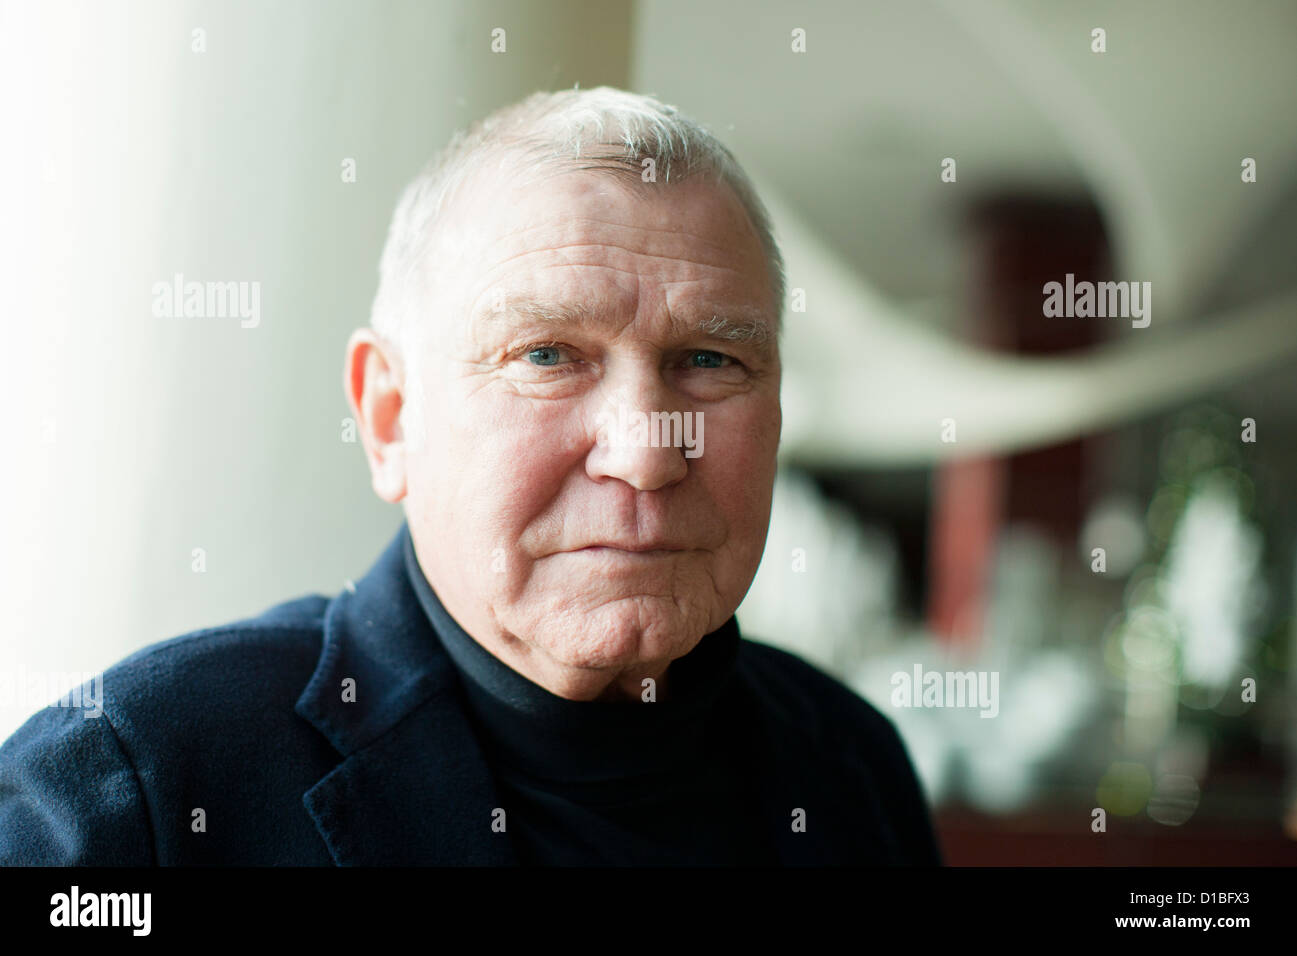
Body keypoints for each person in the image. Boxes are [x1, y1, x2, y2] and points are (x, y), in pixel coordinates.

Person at [0, 86, 940, 866]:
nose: (647, 453)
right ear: (390, 417)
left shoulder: (848, 765)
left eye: (710, 361)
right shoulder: (142, 786)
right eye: (547, 355)